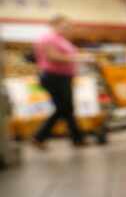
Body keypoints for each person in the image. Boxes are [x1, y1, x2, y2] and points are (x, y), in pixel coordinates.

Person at [32, 15, 90, 149]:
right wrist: (79, 58)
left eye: (69, 26)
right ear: (55, 25)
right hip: (54, 77)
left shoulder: (60, 39)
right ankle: (39, 136)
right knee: (64, 108)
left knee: (66, 108)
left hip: (62, 77)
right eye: (65, 26)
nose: (68, 29)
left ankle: (77, 139)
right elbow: (53, 57)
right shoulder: (48, 38)